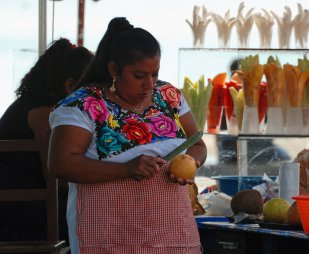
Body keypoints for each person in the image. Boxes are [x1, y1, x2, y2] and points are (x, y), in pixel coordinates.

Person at [48, 17, 207, 254]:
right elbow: (61, 163)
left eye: (154, 74)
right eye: (139, 75)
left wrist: (189, 163)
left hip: (171, 234)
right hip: (107, 235)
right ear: (114, 69)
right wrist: (126, 169)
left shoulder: (169, 96)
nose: (149, 85)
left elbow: (197, 145)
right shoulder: (84, 105)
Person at [0, 38, 94, 241]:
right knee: (99, 218)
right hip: (22, 211)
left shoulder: (29, 104)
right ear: (70, 85)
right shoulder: (46, 113)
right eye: (91, 89)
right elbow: (57, 179)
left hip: (24, 204)